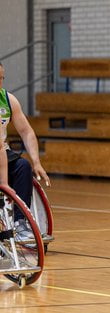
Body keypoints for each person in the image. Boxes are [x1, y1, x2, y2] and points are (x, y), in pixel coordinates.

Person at [0, 62, 50, 221]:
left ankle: (21, 222)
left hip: (1, 151)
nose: (0, 82)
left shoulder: (8, 100)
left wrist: (37, 162)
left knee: (23, 166)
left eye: (2, 78)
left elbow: (26, 131)